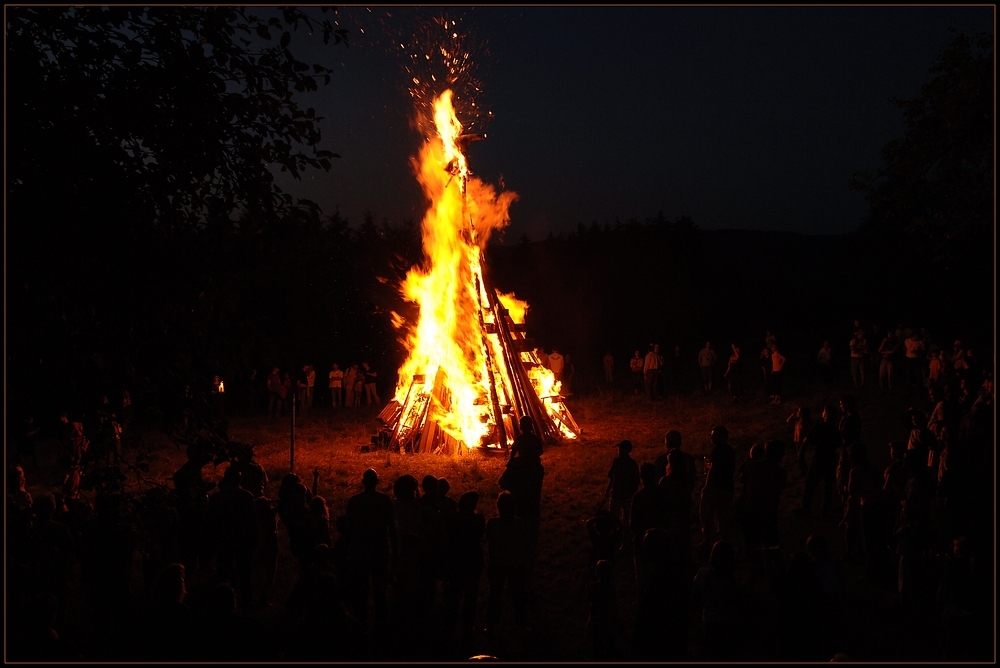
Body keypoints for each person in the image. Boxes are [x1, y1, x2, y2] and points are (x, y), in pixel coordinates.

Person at [344, 469, 395, 633]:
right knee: (379, 591)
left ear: (363, 482)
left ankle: (360, 625)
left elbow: (349, 528)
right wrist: (395, 549)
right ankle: (381, 627)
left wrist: (348, 549)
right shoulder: (384, 501)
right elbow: (391, 528)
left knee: (361, 591)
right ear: (377, 482)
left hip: (361, 550)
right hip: (379, 550)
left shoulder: (355, 501)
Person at [486, 492, 528, 646]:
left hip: (497, 563)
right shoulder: (519, 524)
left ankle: (491, 626)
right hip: (515, 563)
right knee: (518, 595)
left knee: (495, 595)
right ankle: (522, 625)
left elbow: (489, 540)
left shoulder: (492, 523)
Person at [797, 405, 840, 519]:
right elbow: (839, 444)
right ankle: (825, 510)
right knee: (828, 486)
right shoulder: (835, 429)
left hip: (819, 458)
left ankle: (805, 509)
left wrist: (801, 454)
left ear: (825, 414)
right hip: (830, 458)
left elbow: (807, 441)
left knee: (810, 484)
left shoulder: (819, 427)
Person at [699, 427, 735, 556]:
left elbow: (713, 469)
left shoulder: (717, 450)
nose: (711, 438)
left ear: (720, 437)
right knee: (723, 516)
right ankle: (724, 544)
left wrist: (707, 485)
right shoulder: (730, 451)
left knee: (706, 514)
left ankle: (707, 542)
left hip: (715, 487)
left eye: (713, 435)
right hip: (727, 488)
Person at [603, 440, 641, 544]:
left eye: (620, 448)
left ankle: (624, 540)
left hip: (626, 496)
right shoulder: (617, 461)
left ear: (627, 450)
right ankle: (615, 539)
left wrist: (632, 494)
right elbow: (612, 478)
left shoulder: (632, 464)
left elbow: (636, 482)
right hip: (616, 494)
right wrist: (608, 490)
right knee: (614, 518)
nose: (618, 450)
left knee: (626, 520)